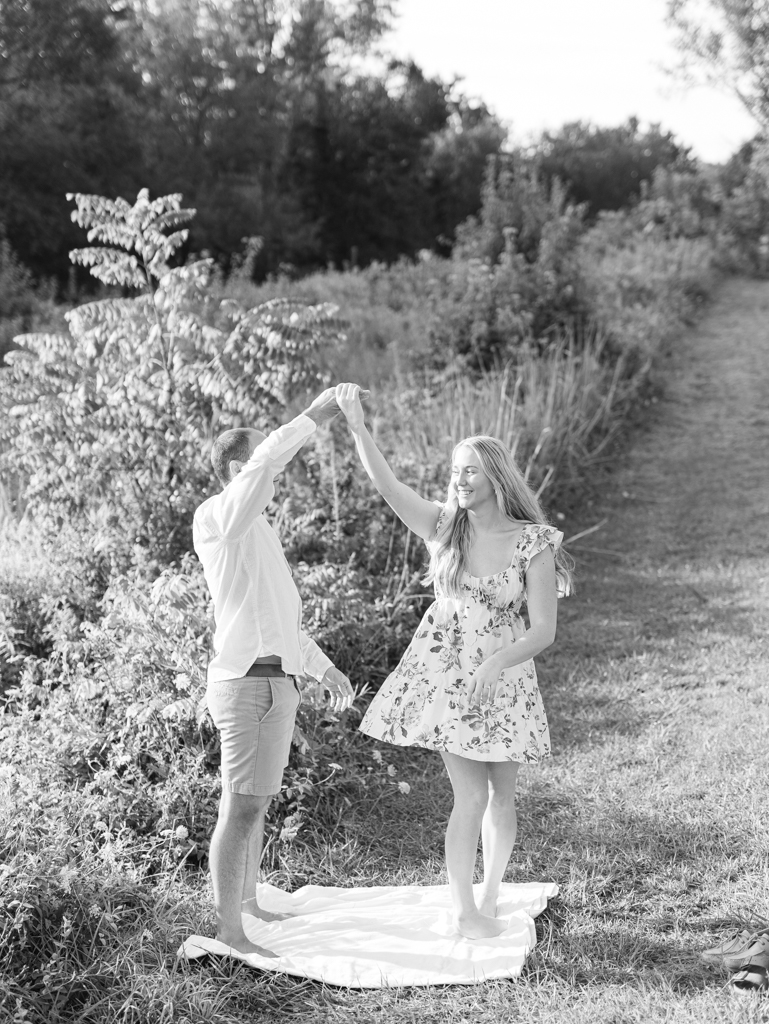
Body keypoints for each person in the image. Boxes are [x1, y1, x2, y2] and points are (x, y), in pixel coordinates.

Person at [334, 382, 573, 940]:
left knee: (502, 796)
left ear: (495, 477)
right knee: (469, 795)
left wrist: (497, 663)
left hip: (506, 679)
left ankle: (490, 896)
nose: (459, 480)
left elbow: (544, 630)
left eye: (469, 471)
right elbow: (388, 487)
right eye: (454, 471)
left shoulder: (532, 542)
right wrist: (357, 426)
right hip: (448, 677)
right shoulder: (446, 529)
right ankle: (464, 911)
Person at [193, 387, 356, 958]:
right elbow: (263, 467)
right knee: (237, 804)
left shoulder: (261, 528)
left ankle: (250, 903)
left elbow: (283, 623)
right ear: (239, 468)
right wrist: (309, 419)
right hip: (240, 686)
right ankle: (228, 932)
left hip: (277, 682)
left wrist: (326, 669)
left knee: (256, 801)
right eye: (261, 458)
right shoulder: (217, 517)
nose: (274, 470)